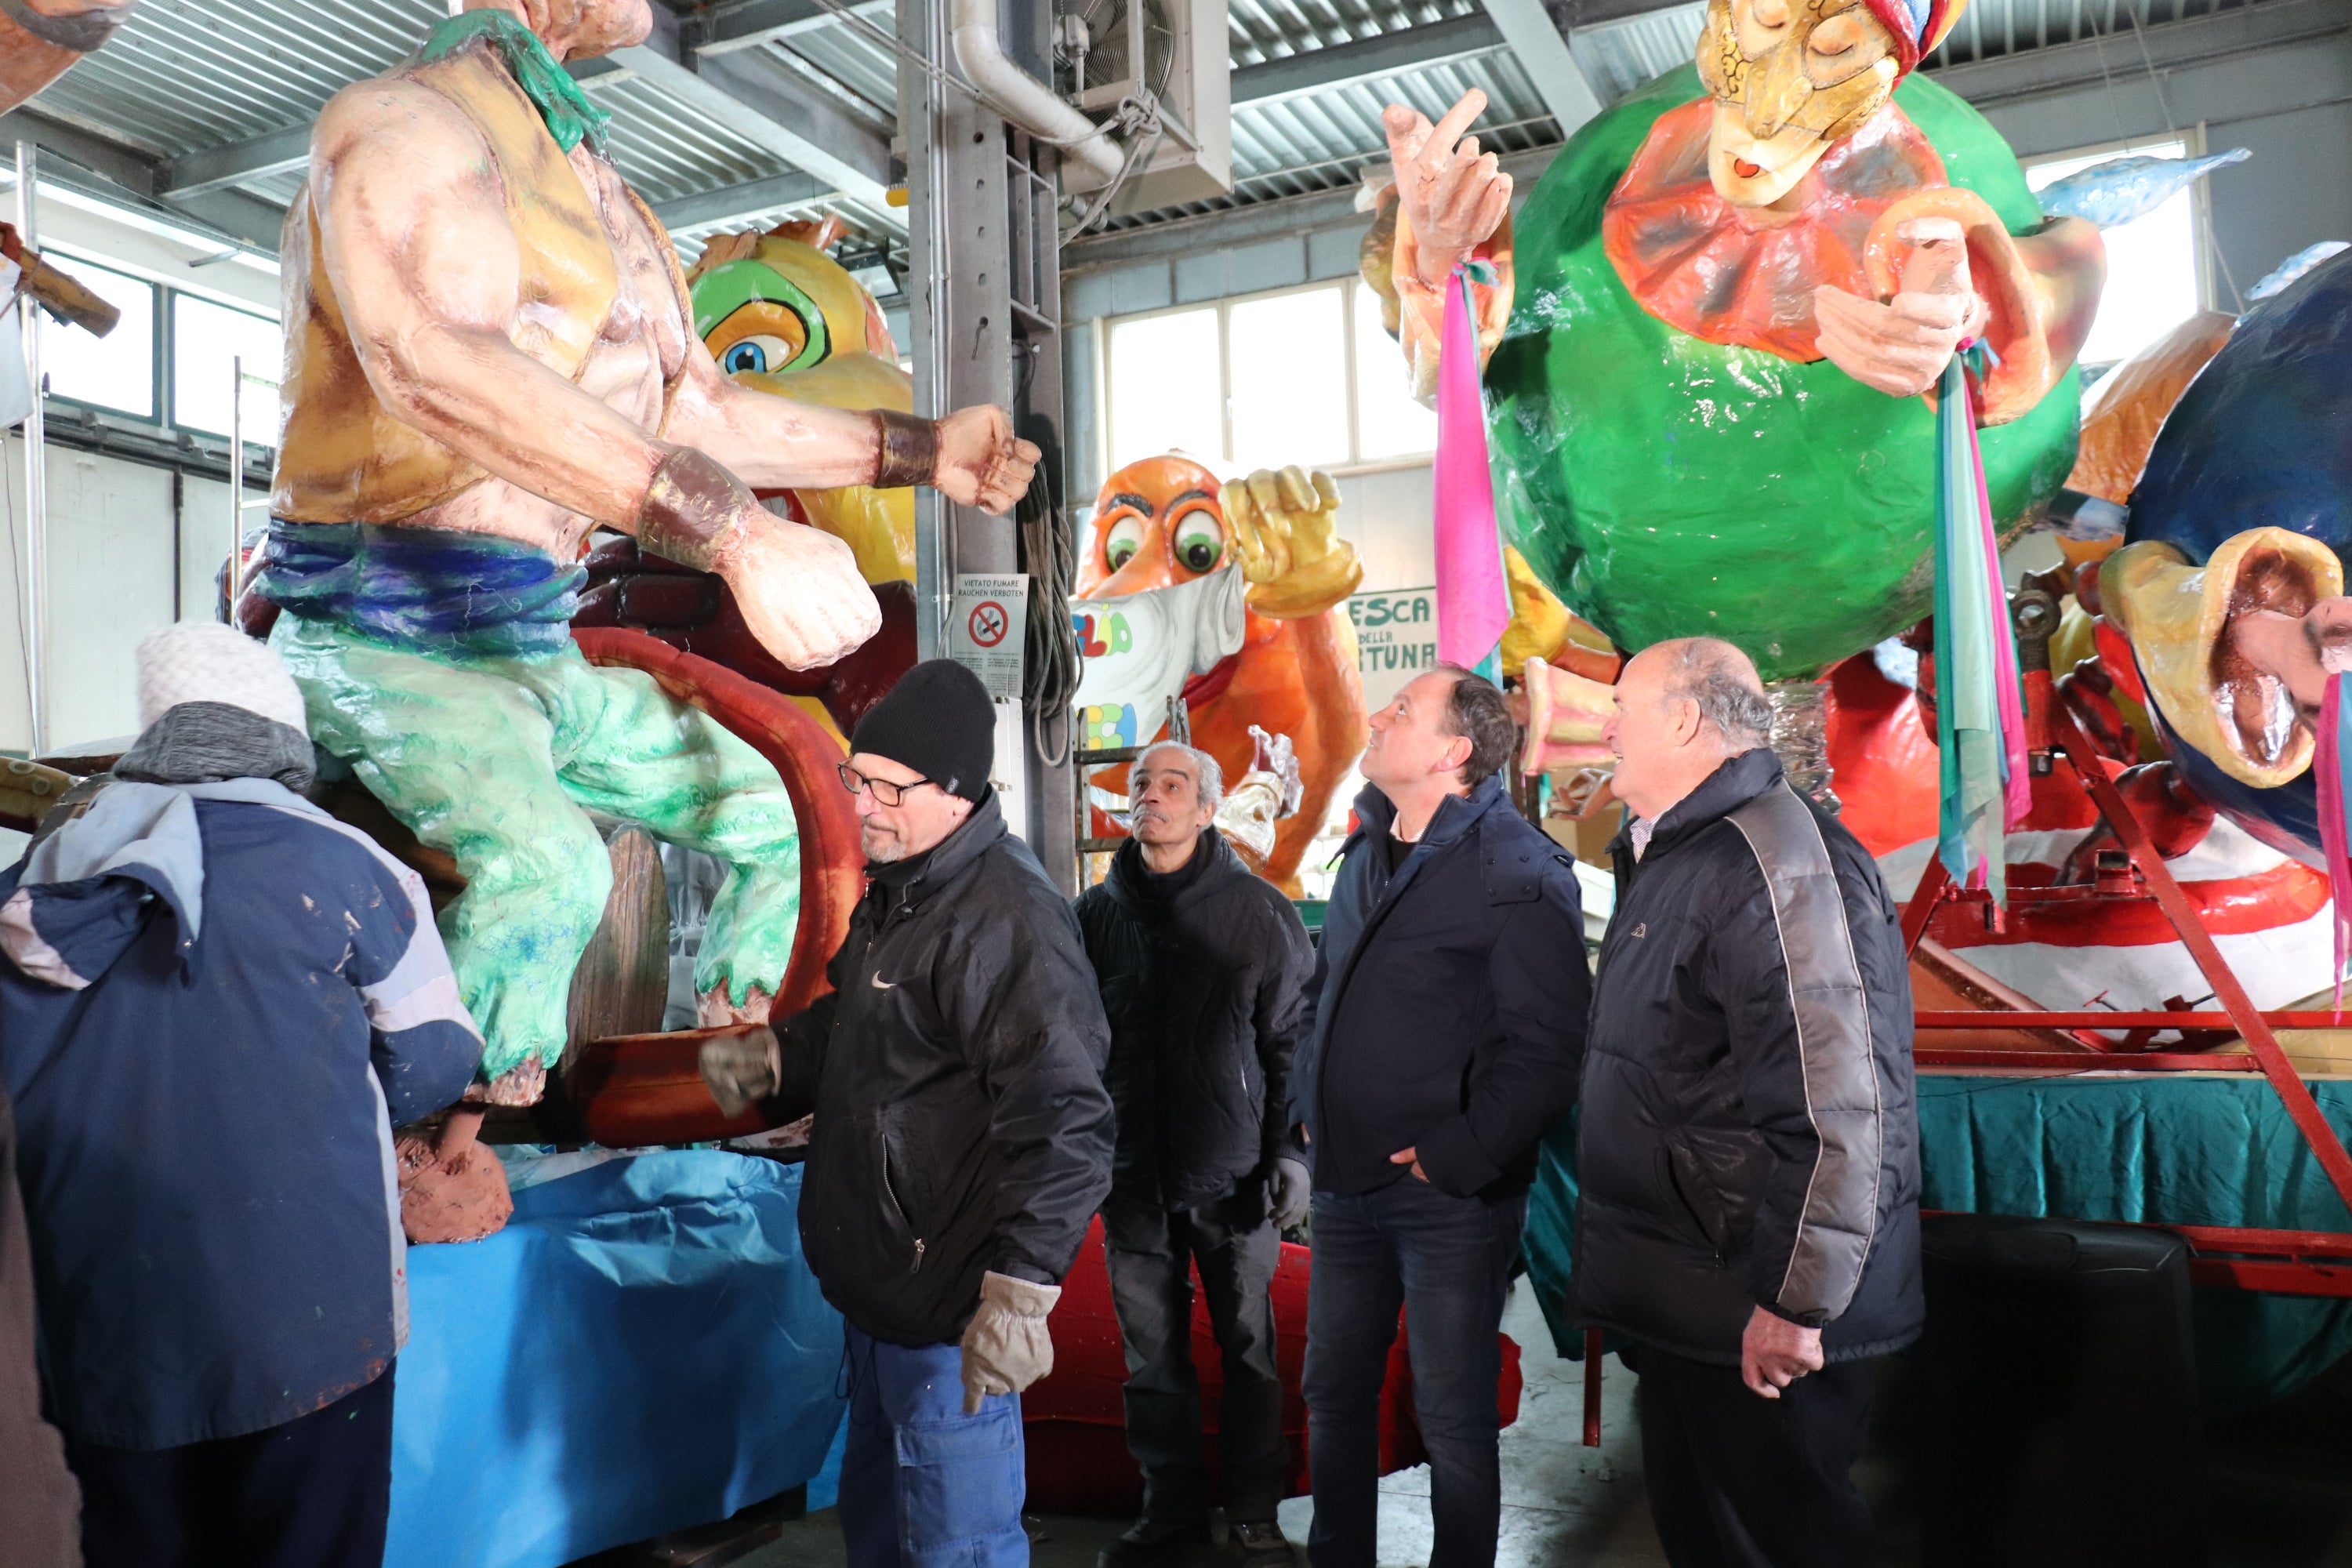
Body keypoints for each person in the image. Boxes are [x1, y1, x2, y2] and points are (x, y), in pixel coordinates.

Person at [252, 0, 1039, 1192]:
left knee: (791, 812)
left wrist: (923, 450)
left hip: (530, 643)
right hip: (381, 634)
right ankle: (415, 1154)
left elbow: (694, 408)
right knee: (548, 869)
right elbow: (435, 361)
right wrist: (735, 535)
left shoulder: (590, 180)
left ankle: (721, 1094)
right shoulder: (406, 125)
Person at [0, 622, 484, 1568]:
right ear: (284, 746)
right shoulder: (350, 865)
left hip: (99, 1312)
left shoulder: (44, 867)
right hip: (308, 1316)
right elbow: (434, 1061)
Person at [699, 659, 1114, 1568]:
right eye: (860, 778)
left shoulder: (1007, 920)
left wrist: (1022, 1292)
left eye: (891, 788)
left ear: (957, 795)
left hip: (949, 1310)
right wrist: (768, 1061)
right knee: (883, 1528)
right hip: (880, 1293)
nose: (865, 805)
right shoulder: (903, 888)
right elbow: (853, 1024)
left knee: (956, 1544)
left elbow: (1065, 1121)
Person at [1579, 637, 1922, 1568]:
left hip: (1754, 1305)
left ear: (1685, 718)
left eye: (1621, 707)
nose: (1605, 729)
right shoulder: (1689, 853)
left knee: (1783, 1540)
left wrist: (1794, 1302)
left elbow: (1839, 1110)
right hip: (1698, 1297)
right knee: (1710, 1533)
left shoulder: (1774, 860)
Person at [1287, 665, 1589, 1568]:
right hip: (1345, 1184)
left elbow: (1548, 1049)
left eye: (1404, 709)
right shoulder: (1369, 847)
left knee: (1452, 1410)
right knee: (1334, 1393)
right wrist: (1308, 1103)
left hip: (1448, 1199)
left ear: (1453, 750)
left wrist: (1452, 1154)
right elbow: (1321, 993)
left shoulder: (1517, 870)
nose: (1379, 715)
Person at [1073, 742, 1315, 1568]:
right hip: (1132, 1175)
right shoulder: (1093, 917)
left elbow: (1292, 1045)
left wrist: (1291, 1154)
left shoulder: (1259, 913)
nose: (1151, 794)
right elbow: (1072, 1047)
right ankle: (1168, 1511)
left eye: (1173, 784)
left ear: (1209, 810)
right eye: (1142, 782)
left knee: (1249, 1348)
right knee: (1151, 1356)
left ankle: (1253, 1511)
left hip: (1234, 1174)